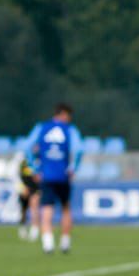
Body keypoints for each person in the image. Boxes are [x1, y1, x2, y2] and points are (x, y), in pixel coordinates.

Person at [23, 102, 83, 254]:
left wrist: (34, 169)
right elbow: (79, 150)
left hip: (46, 175)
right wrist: (72, 169)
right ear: (63, 114)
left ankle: (48, 244)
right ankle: (65, 243)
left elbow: (26, 148)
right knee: (66, 208)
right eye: (69, 116)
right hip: (63, 176)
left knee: (46, 208)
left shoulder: (40, 128)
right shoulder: (70, 130)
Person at [14, 152, 41, 241]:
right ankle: (22, 227)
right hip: (24, 186)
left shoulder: (39, 158)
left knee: (34, 207)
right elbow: (17, 174)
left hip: (35, 187)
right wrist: (22, 187)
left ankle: (35, 230)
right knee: (23, 209)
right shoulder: (22, 159)